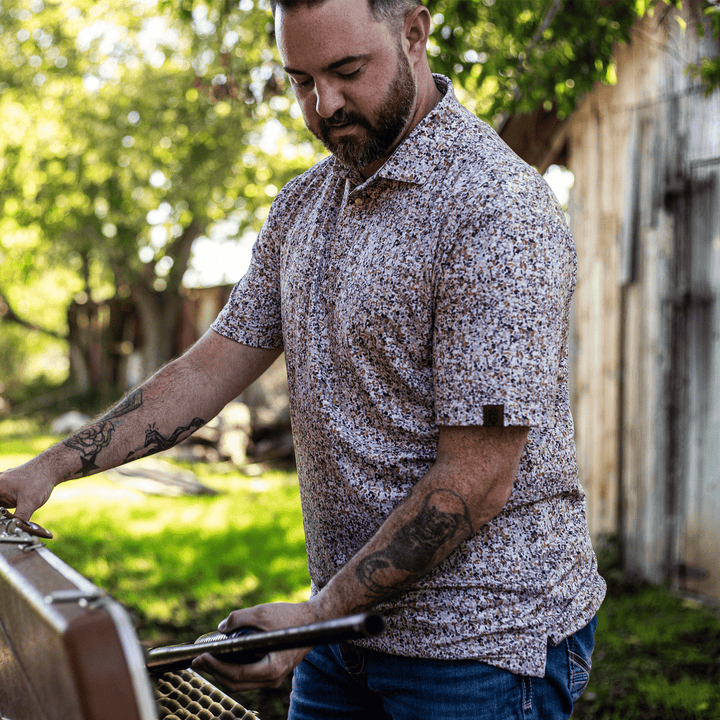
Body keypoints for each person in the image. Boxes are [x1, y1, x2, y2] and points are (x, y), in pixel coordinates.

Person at [0, 0, 606, 717]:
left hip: (481, 651)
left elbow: (475, 478)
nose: (324, 106)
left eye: (348, 72)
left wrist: (316, 616)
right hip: (341, 636)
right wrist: (51, 466)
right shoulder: (304, 205)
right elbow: (206, 369)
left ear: (414, 32)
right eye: (300, 80)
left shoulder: (496, 209)